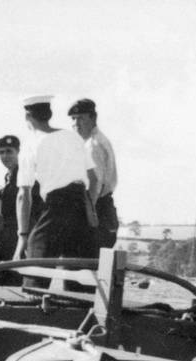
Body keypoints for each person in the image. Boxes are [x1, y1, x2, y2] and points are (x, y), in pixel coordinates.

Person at [13, 95, 98, 264]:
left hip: (56, 207)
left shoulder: (30, 145)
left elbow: (24, 194)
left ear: (27, 117)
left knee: (36, 269)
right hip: (82, 208)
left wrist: (22, 236)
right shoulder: (73, 137)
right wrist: (89, 210)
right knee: (78, 277)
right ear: (49, 114)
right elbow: (93, 179)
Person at [69, 98, 119, 250]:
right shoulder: (91, 142)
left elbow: (93, 186)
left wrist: (87, 219)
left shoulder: (93, 146)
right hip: (100, 211)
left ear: (93, 118)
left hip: (96, 211)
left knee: (86, 266)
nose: (76, 124)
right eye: (73, 119)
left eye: (81, 118)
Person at [0, 134, 41, 266]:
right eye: (2, 152)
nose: (5, 156)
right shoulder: (11, 175)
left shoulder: (25, 175)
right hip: (10, 233)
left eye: (9, 151)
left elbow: (13, 195)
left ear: (18, 153)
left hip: (22, 235)